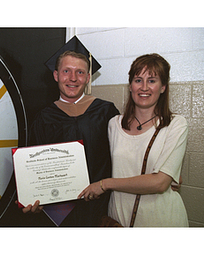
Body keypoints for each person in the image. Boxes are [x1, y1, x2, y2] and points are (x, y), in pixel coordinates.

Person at [78, 53, 189, 227]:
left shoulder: (175, 124)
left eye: (152, 81)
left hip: (161, 219)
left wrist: (104, 184)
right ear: (130, 86)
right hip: (119, 219)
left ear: (163, 87)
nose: (144, 87)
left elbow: (160, 183)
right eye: (138, 80)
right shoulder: (114, 124)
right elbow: (97, 161)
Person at [20, 36, 119, 226]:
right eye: (66, 71)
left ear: (88, 78)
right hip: (58, 210)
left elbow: (126, 150)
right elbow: (32, 167)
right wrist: (31, 197)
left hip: (100, 207)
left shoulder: (106, 111)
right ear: (56, 75)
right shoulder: (43, 117)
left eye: (80, 72)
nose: (73, 78)